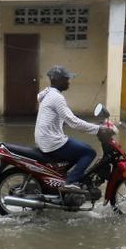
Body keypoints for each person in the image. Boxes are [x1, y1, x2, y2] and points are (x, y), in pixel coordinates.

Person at [35, 65, 101, 193]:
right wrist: (98, 129)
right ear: (57, 80)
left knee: (84, 146)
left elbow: (62, 118)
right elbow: (73, 122)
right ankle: (70, 182)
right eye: (66, 79)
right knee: (89, 152)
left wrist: (90, 123)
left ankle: (66, 177)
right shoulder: (56, 97)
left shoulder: (49, 93)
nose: (68, 82)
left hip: (45, 139)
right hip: (52, 142)